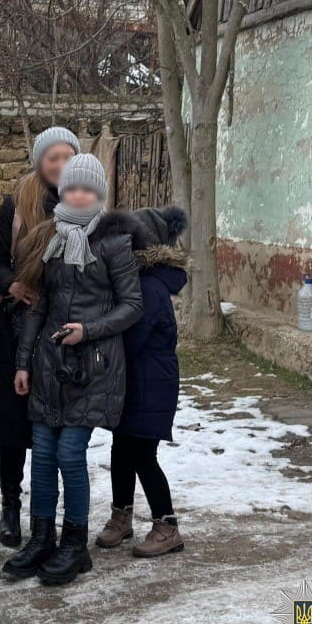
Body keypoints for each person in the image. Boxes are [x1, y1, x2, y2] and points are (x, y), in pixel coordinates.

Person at [2, 153, 144, 585]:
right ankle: (42, 538)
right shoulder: (51, 238)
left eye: (88, 189)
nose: (79, 195)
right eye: (72, 188)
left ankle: (75, 545)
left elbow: (132, 305)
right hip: (49, 365)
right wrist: (23, 362)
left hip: (94, 366)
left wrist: (89, 330)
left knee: (69, 453)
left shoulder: (114, 243)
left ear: (99, 194)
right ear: (62, 192)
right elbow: (38, 305)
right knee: (43, 455)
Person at [0, 126, 80, 548]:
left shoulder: (85, 199)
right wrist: (13, 284)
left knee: (56, 420)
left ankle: (49, 512)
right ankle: (10, 505)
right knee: (12, 419)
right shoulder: (17, 202)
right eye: (52, 157)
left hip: (63, 328)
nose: (59, 165)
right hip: (17, 323)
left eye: (67, 156)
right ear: (39, 160)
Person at [95, 206, 188, 557]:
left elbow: (131, 338)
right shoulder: (140, 281)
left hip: (151, 383)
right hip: (135, 381)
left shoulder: (148, 287)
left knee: (142, 455)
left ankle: (167, 526)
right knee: (121, 449)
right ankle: (122, 517)